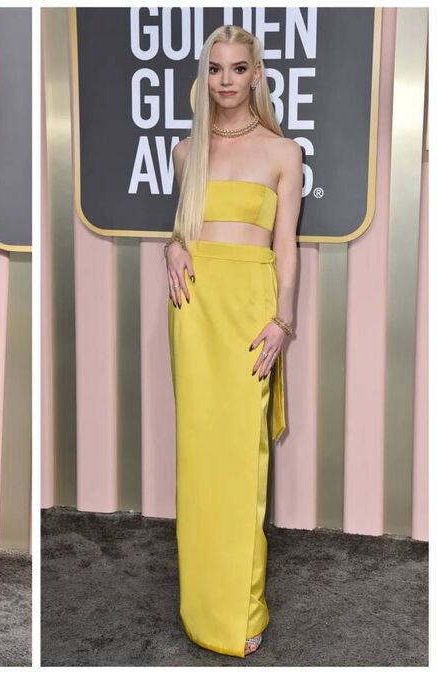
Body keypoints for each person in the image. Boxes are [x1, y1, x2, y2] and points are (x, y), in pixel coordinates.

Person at [164, 24, 301, 659]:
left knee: (242, 462)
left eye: (238, 69)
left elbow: (286, 247)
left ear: (256, 74)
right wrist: (171, 245)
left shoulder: (283, 153)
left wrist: (284, 321)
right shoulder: (186, 152)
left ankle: (239, 610)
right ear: (205, 75)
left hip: (251, 312)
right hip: (194, 308)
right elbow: (184, 230)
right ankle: (201, 608)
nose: (226, 80)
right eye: (216, 68)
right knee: (199, 458)